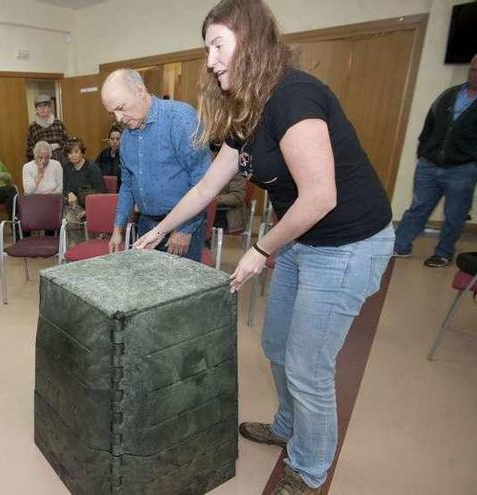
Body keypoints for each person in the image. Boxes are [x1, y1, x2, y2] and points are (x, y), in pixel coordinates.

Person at [133, 1, 393, 492]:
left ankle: (311, 470)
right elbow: (206, 188)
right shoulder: (246, 109)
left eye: (218, 45)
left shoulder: (296, 97)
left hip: (348, 245)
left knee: (308, 366)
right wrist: (162, 228)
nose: (210, 59)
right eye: (206, 47)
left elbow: (320, 196)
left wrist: (260, 249)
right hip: (301, 239)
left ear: (252, 43)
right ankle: (288, 427)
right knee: (276, 345)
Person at [101, 69, 212, 261]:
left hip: (182, 225)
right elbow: (127, 185)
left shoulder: (181, 119)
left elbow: (203, 180)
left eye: (121, 107)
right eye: (113, 112)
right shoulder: (126, 138)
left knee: (181, 288)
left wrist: (184, 229)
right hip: (146, 224)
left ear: (139, 90)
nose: (119, 118)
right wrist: (117, 227)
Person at [393, 54, 477, 268]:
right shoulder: (449, 95)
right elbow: (430, 124)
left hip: (462, 168)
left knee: (454, 214)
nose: (475, 74)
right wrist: (423, 150)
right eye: (473, 69)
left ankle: (443, 252)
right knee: (418, 207)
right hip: (429, 164)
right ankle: (399, 246)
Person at [62, 138, 105, 243]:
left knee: (90, 227)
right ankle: (79, 247)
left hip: (94, 207)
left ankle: (90, 247)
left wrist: (88, 210)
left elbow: (101, 192)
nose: (73, 155)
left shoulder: (92, 168)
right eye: (70, 153)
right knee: (69, 222)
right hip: (76, 206)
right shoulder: (67, 167)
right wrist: (69, 194)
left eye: (76, 152)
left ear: (82, 152)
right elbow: (65, 188)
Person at [26, 94, 70, 163]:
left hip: (60, 161)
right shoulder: (33, 127)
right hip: (42, 164)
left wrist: (58, 145)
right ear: (36, 109)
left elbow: (68, 142)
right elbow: (29, 151)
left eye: (45, 106)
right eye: (39, 106)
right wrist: (40, 150)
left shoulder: (58, 123)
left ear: (49, 108)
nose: (42, 109)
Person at [95, 124, 123, 191]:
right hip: (104, 189)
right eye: (112, 139)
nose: (114, 142)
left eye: (118, 139)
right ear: (109, 140)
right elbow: (95, 171)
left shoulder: (125, 155)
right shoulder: (103, 154)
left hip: (121, 191)